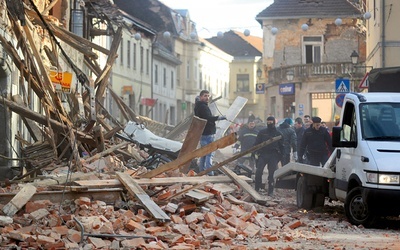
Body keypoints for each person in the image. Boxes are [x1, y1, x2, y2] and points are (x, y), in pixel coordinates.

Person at [194, 90, 226, 175]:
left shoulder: (198, 106)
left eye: (208, 96)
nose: (207, 98)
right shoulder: (203, 107)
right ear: (200, 97)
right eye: (205, 96)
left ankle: (201, 172)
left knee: (203, 154)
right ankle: (210, 174)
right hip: (208, 133)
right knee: (209, 154)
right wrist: (219, 118)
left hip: (203, 133)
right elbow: (208, 118)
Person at [253, 116, 284, 195]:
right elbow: (257, 143)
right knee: (259, 171)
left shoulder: (278, 133)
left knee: (272, 174)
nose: (269, 124)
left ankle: (270, 191)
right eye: (268, 122)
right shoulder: (262, 132)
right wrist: (255, 152)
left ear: (274, 122)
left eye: (271, 122)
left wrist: (280, 156)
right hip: (263, 154)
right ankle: (257, 188)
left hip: (273, 155)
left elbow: (282, 146)